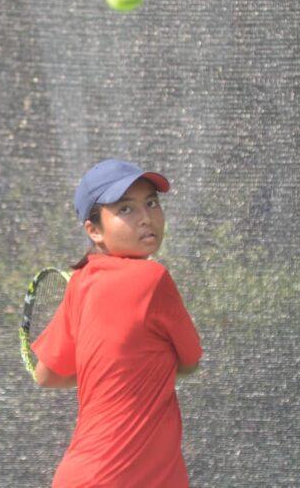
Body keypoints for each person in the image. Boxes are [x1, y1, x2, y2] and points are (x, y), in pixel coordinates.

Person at [31, 158, 203, 487]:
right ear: (94, 230)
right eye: (126, 210)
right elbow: (190, 362)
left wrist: (114, 375)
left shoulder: (80, 282)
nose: (146, 218)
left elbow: (47, 375)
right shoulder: (154, 278)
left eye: (151, 203)